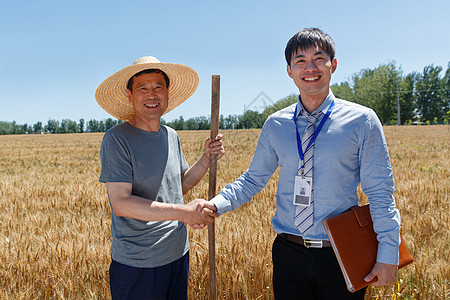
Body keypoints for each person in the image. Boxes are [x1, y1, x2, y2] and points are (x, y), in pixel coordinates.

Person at [208, 28, 401, 299]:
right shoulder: (276, 124)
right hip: (289, 255)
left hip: (342, 255)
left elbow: (380, 192)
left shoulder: (362, 121)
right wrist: (215, 205)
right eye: (300, 61)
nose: (310, 67)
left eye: (318, 58)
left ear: (333, 65)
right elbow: (253, 179)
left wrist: (388, 253)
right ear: (289, 70)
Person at [95, 56, 222, 300]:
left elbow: (178, 186)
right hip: (139, 264)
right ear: (130, 96)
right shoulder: (117, 138)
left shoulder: (170, 135)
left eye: (158, 87)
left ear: (167, 93)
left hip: (177, 254)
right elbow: (121, 203)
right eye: (142, 88)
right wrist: (184, 212)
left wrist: (206, 158)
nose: (151, 94)